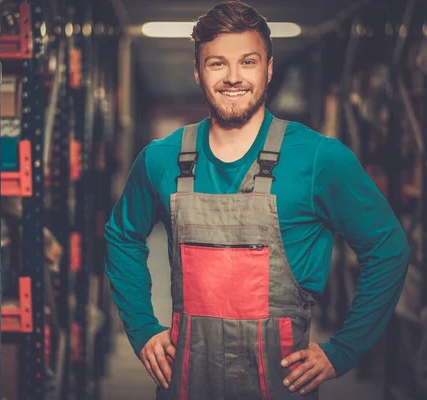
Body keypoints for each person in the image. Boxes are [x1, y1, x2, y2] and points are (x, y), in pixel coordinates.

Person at [104, 1, 410, 399]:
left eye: (247, 62)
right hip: (185, 387)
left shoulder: (319, 159)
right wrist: (143, 328)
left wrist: (343, 350)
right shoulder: (161, 159)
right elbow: (121, 235)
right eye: (217, 64)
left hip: (280, 387)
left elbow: (388, 249)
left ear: (268, 68)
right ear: (198, 71)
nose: (233, 77)